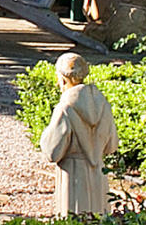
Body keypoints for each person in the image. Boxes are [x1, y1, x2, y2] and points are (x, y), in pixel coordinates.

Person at [38, 50, 116, 216]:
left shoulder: (64, 108)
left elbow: (52, 152)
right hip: (98, 175)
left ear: (63, 78)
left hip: (72, 176)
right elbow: (111, 146)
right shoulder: (103, 104)